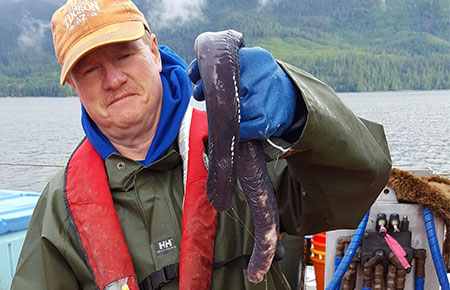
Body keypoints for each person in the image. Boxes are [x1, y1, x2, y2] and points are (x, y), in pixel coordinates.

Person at [11, 0, 392, 289]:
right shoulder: (59, 206)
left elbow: (358, 184)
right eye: (90, 69)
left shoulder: (246, 140)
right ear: (74, 87)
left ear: (154, 50)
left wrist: (301, 110)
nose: (112, 79)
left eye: (123, 55)